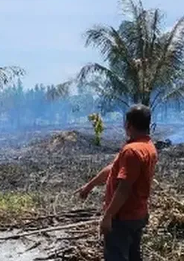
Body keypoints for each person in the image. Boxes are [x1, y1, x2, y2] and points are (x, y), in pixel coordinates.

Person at [75, 104, 157, 261]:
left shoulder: (132, 150)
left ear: (128, 124)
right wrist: (89, 186)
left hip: (122, 217)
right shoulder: (148, 147)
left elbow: (124, 188)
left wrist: (108, 216)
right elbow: (113, 168)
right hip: (137, 214)